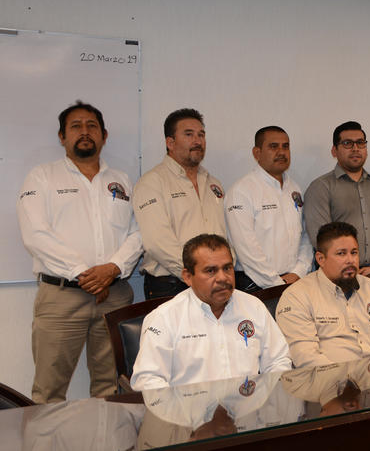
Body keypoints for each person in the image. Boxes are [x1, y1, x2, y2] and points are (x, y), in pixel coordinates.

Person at [16, 101, 143, 403]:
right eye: (76, 126)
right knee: (48, 392)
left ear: (104, 135)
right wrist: (84, 275)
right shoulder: (42, 177)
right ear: (62, 137)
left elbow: (138, 232)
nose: (85, 132)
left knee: (110, 389)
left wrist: (112, 268)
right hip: (62, 299)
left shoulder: (122, 180)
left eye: (92, 126)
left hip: (114, 295)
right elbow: (35, 234)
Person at [131, 234, 292, 390]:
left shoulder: (253, 307)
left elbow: (278, 361)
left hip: (250, 405)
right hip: (190, 408)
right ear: (187, 277)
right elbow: (148, 380)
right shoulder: (164, 318)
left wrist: (269, 396)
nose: (222, 278)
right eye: (210, 271)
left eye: (227, 268)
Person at [276, 222, 370, 368]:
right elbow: (306, 358)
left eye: (354, 252)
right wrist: (348, 379)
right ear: (320, 259)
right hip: (329, 380)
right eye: (341, 253)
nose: (350, 260)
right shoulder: (296, 297)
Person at [134, 108, 227, 299]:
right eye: (189, 134)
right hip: (171, 285)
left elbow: (225, 233)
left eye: (201, 135)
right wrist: (195, 274)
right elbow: (157, 242)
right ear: (170, 142)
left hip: (213, 282)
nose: (198, 141)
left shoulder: (213, 183)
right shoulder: (152, 182)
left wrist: (221, 271)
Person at [303, 121, 370, 275]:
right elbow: (321, 239)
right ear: (334, 151)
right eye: (347, 143)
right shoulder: (320, 188)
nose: (355, 148)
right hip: (337, 276)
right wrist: (349, 267)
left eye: (360, 143)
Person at [225, 126, 311, 292]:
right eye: (273, 146)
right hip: (256, 286)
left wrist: (298, 272)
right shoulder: (241, 191)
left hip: (292, 282)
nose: (281, 152)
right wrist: (276, 284)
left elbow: (305, 236)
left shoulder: (294, 189)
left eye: (285, 146)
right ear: (257, 153)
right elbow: (245, 248)